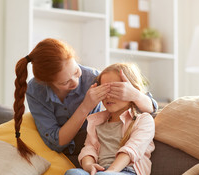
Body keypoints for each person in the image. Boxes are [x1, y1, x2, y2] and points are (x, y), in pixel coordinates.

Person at [13, 38, 157, 165]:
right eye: (65, 82)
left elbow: (151, 109)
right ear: (47, 83)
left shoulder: (92, 78)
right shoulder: (36, 90)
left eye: (76, 71)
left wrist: (135, 95)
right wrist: (85, 107)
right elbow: (56, 143)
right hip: (65, 157)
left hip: (96, 153)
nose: (75, 82)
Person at [49, 62, 155, 175]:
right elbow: (89, 148)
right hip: (100, 173)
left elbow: (131, 151)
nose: (108, 96)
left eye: (115, 89)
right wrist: (89, 165)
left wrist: (108, 173)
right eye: (104, 90)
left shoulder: (143, 120)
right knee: (73, 174)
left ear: (131, 90)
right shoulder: (97, 121)